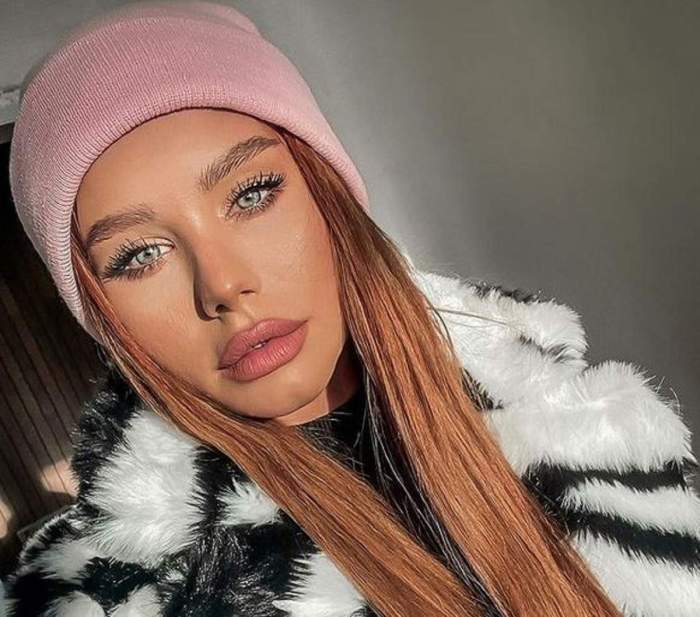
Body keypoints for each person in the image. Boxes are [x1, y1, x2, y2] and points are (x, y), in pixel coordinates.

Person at [3, 2, 699, 616]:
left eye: (251, 194)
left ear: (326, 194)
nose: (223, 284)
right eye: (139, 255)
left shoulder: (591, 427)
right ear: (103, 317)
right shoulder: (113, 597)